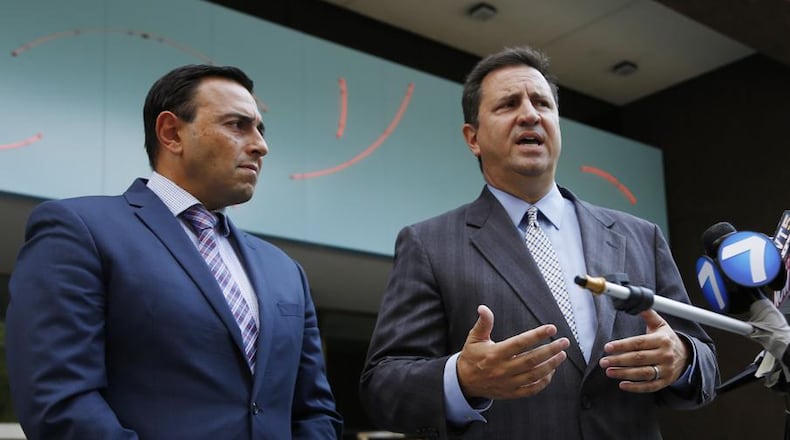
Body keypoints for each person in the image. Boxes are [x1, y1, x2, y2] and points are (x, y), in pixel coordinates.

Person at [359, 46, 719, 439]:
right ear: (473, 137)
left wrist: (682, 358)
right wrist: (462, 377)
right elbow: (383, 387)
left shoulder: (640, 236)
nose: (530, 114)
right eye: (509, 104)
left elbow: (705, 364)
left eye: (542, 104)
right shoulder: (428, 244)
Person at [5, 64, 342, 439]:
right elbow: (59, 398)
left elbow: (314, 410)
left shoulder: (285, 271)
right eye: (237, 125)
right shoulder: (80, 231)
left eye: (260, 130)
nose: (261, 145)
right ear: (171, 133)